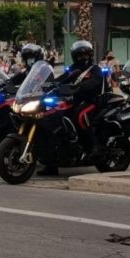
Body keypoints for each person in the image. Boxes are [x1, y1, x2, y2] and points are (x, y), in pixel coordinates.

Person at [46, 40, 105, 176]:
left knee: (80, 116)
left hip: (92, 101)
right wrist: (49, 84)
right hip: (75, 101)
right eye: (79, 55)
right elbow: (61, 79)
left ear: (90, 55)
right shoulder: (73, 69)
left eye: (85, 55)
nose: (82, 58)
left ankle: (94, 147)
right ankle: (52, 162)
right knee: (53, 117)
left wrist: (79, 86)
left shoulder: (95, 69)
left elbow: (94, 82)